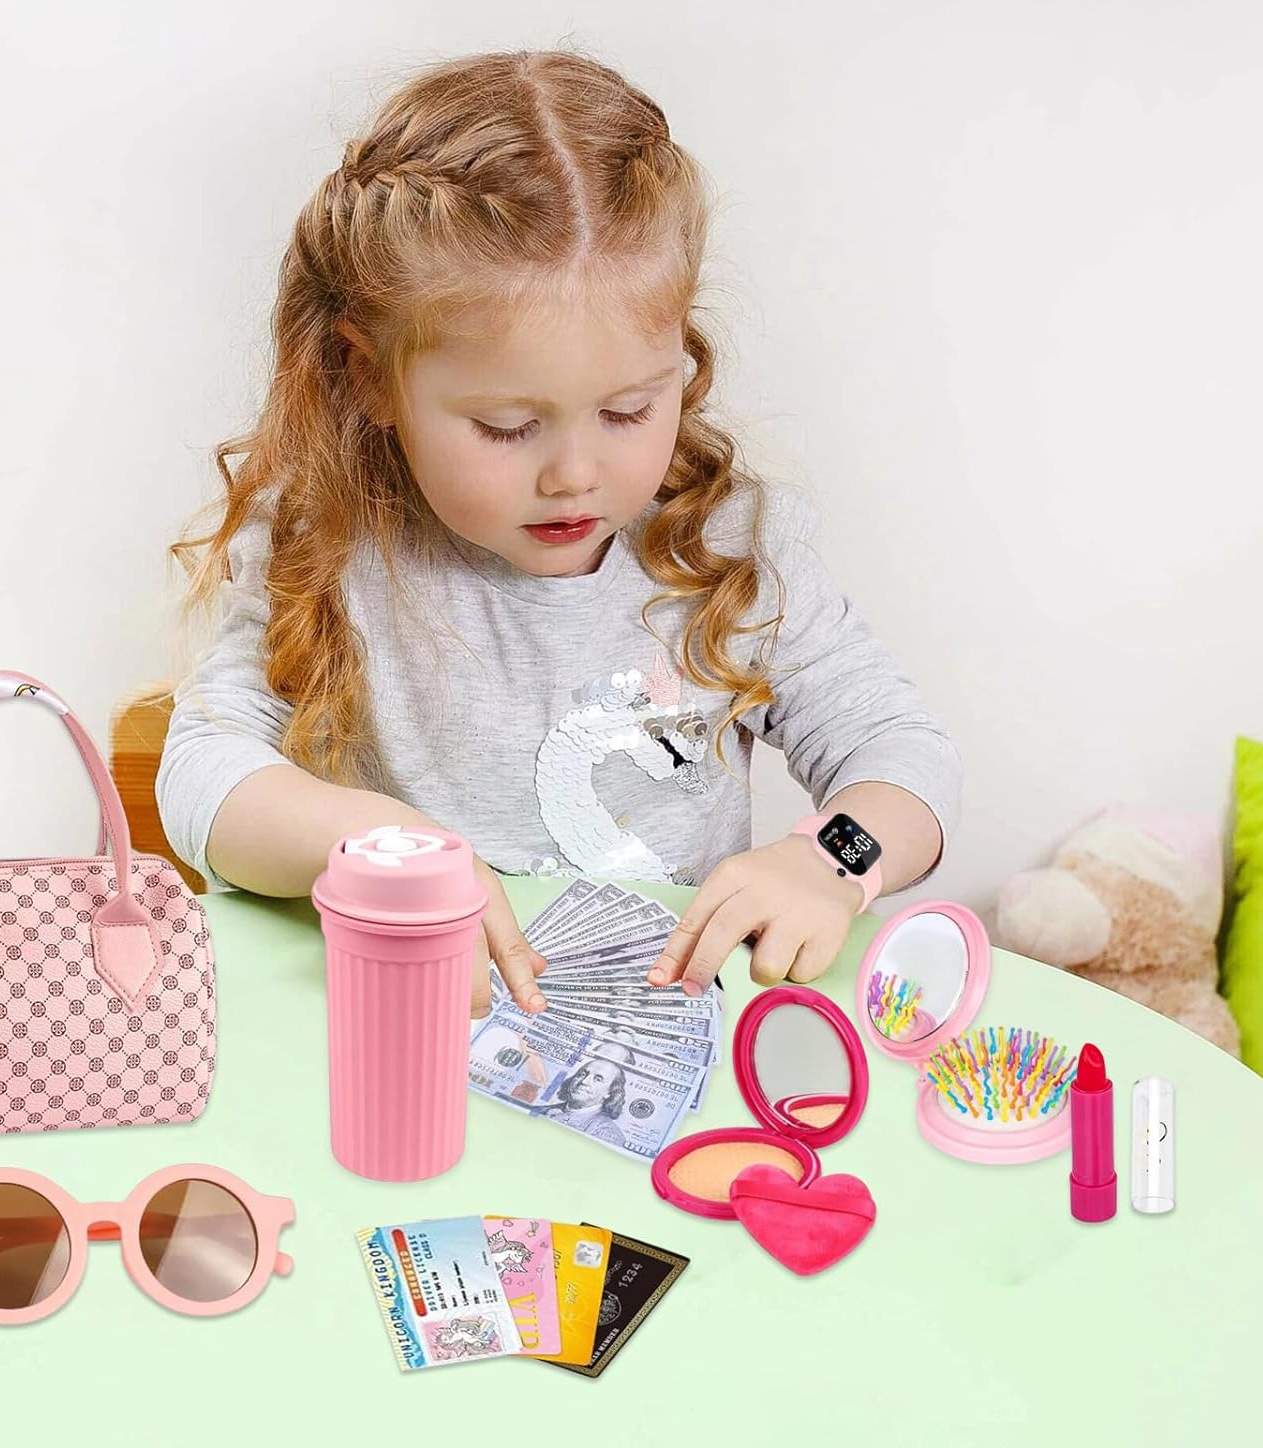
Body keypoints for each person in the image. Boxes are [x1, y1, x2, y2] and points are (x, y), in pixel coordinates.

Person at [156, 47, 962, 1022]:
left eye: (628, 410)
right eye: (507, 427)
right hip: (410, 1031)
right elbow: (202, 778)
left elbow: (900, 749)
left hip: (660, 1047)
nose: (574, 473)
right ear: (371, 378)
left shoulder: (730, 549)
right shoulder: (327, 548)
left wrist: (829, 862)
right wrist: (374, 844)